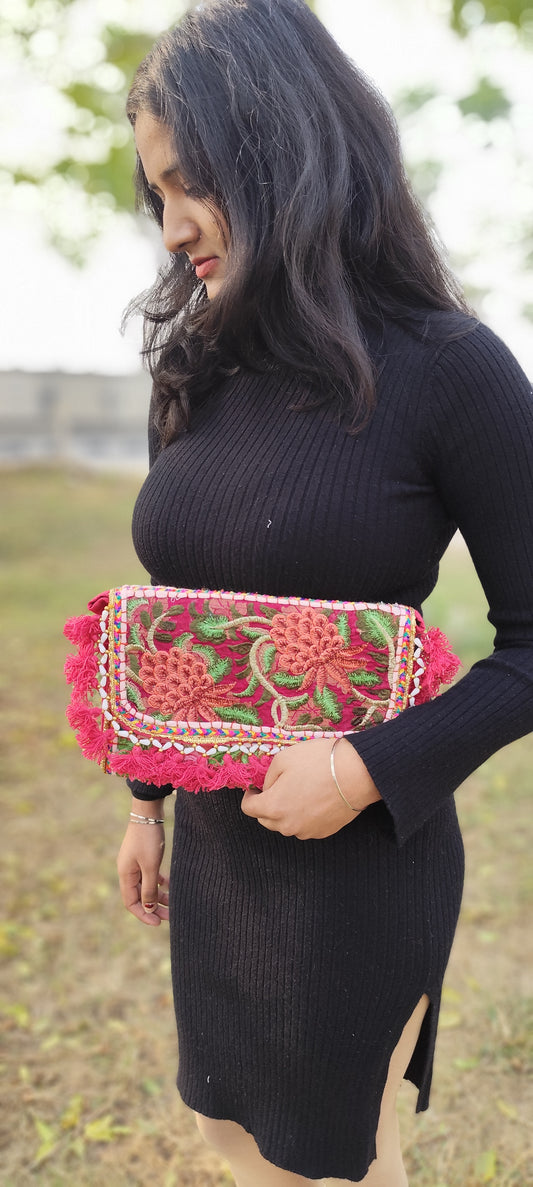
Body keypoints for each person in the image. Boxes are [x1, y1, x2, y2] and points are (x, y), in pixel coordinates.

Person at [116, 1, 533, 1183]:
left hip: (358, 872)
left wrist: (363, 767)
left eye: (189, 182)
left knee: (320, 1163)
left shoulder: (449, 368)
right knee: (225, 1136)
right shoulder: (195, 363)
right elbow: (179, 610)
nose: (172, 226)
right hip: (216, 852)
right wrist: (144, 797)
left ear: (285, 149)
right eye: (155, 195)